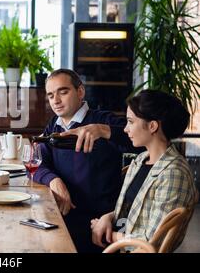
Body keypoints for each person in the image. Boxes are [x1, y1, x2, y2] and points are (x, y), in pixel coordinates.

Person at [33, 69, 139, 252]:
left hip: (98, 224)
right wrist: (54, 180)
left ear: (80, 92)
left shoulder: (103, 120)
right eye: (51, 95)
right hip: (62, 216)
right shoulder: (54, 125)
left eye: (63, 92)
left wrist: (103, 130)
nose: (56, 100)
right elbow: (35, 162)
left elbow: (140, 144)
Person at [91, 90, 197, 250]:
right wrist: (108, 217)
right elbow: (131, 210)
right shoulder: (140, 160)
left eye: (130, 122)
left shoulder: (173, 173)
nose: (125, 129)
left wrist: (109, 234)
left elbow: (152, 242)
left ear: (152, 126)